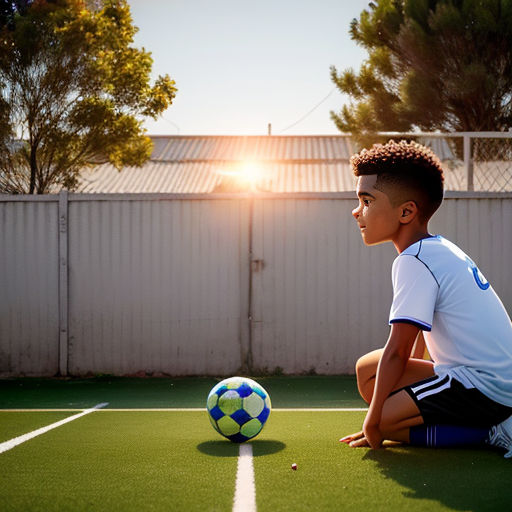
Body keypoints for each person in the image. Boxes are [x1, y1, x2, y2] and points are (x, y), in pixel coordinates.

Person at [339, 140, 512, 457]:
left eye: (366, 201)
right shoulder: (434, 248)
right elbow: (416, 336)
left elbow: (398, 349)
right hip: (490, 378)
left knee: (388, 422)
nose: (356, 211)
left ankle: (495, 431)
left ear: (406, 211)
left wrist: (374, 422)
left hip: (487, 387)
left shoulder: (414, 260)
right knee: (369, 372)